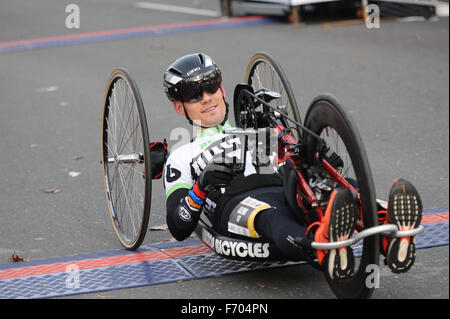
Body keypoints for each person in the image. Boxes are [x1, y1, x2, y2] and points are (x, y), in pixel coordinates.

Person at [162, 53, 423, 279]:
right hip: (235, 201)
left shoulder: (258, 131)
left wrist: (315, 155)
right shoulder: (182, 154)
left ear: (221, 89)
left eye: (210, 87)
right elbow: (178, 225)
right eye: (194, 94)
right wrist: (201, 186)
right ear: (179, 106)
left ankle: (387, 231)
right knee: (269, 215)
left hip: (281, 185)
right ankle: (321, 246)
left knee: (330, 189)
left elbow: (297, 158)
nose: (206, 97)